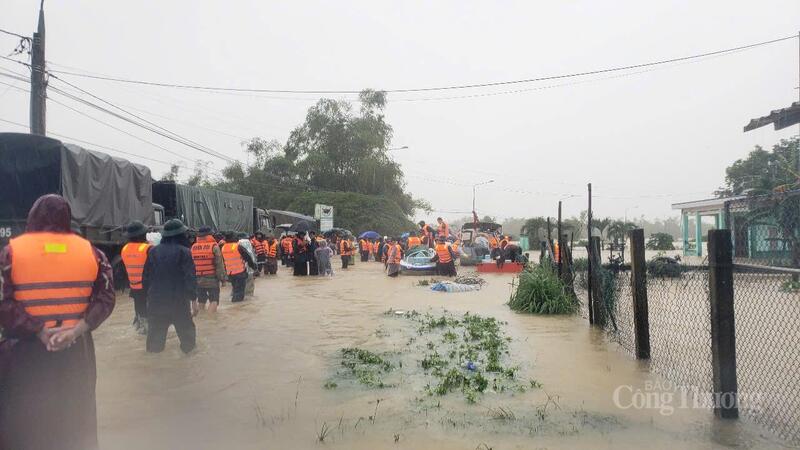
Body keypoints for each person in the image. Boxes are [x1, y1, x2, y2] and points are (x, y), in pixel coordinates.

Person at [0, 194, 115, 450]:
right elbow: (106, 298)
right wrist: (76, 330)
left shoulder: (9, 254)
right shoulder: (94, 254)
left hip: (23, 354)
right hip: (76, 353)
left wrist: (40, 331)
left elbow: (3, 303)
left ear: (32, 217)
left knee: (21, 422)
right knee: (76, 421)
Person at [142, 219, 197, 354]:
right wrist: (194, 301)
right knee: (188, 343)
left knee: (154, 346)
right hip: (178, 302)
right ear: (180, 235)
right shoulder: (184, 252)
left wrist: (147, 299)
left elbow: (145, 278)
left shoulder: (153, 252)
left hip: (156, 302)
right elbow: (190, 279)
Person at [121, 220, 151, 335]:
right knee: (150, 316)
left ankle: (140, 326)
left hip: (134, 288)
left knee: (140, 313)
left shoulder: (124, 249)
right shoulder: (148, 249)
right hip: (147, 288)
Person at [191, 226, 225, 313]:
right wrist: (222, 279)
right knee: (214, 300)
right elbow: (219, 265)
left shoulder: (193, 247)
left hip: (197, 278)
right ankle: (211, 320)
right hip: (211, 278)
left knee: (201, 301)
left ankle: (202, 319)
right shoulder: (214, 246)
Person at [222, 231, 256, 302]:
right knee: (240, 293)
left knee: (235, 290)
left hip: (230, 274)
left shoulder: (223, 247)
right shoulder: (237, 246)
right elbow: (248, 257)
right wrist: (254, 267)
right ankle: (236, 308)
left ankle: (234, 306)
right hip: (240, 272)